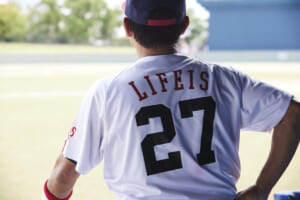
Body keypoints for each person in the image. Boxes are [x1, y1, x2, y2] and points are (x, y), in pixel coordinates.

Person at [42, 0, 300, 200]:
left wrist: (53, 190)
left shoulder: (107, 91)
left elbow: (61, 181)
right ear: (184, 26)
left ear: (127, 27)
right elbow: (293, 114)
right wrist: (261, 189)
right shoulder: (224, 79)